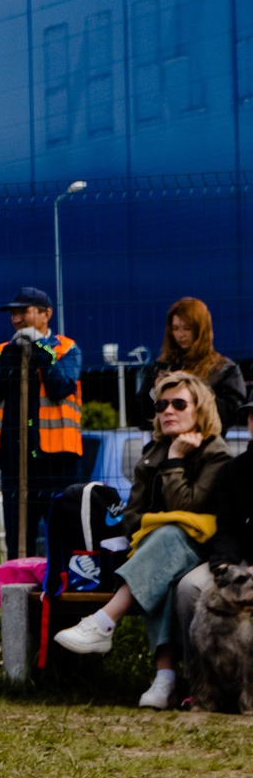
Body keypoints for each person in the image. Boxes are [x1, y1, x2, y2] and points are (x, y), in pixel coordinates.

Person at [50, 369, 235, 705]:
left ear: (200, 410)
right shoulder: (152, 453)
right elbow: (132, 514)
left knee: (166, 537)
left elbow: (189, 504)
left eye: (179, 403)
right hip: (161, 553)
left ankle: (105, 621)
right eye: (162, 404)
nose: (167, 411)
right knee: (162, 566)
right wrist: (147, 529)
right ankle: (164, 680)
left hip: (206, 548)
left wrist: (176, 460)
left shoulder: (216, 454)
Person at [0, 286, 84, 560]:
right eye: (13, 314)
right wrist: (11, 356)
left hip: (58, 462)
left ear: (46, 314)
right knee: (18, 542)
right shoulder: (3, 351)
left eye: (23, 312)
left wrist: (41, 350)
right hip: (14, 462)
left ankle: (62, 594)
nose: (16, 319)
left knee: (64, 536)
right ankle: (20, 597)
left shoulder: (66, 348)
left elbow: (61, 386)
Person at [136, 298, 248, 432]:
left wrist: (192, 393)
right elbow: (139, 416)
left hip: (206, 443)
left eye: (187, 328)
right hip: (165, 444)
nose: (181, 335)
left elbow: (233, 414)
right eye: (175, 328)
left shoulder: (223, 369)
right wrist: (156, 392)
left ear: (200, 330)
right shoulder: (160, 366)